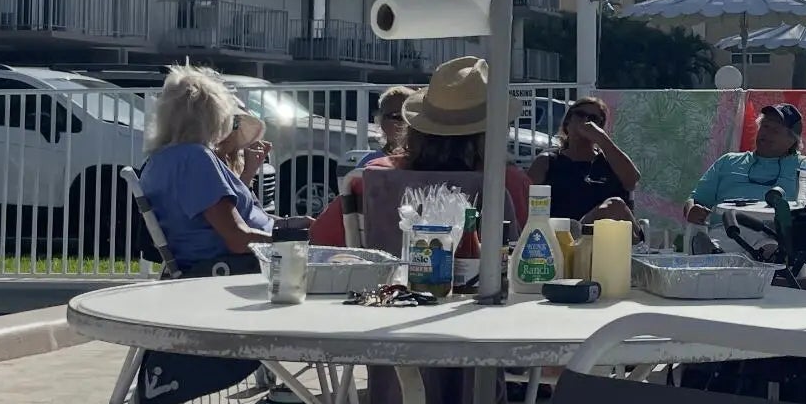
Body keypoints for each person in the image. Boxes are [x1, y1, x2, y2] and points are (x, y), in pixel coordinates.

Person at [315, 59, 530, 252]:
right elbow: (528, 254)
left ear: (416, 127)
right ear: (496, 129)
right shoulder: (508, 181)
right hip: (480, 284)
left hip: (387, 282)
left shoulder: (372, 177)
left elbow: (319, 238)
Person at [137, 66, 316, 274]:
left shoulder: (158, 161)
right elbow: (238, 239)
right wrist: (295, 243)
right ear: (213, 115)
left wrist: (286, 227)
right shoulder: (195, 158)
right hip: (236, 264)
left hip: (229, 259)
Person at [685, 103, 806, 229]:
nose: (766, 133)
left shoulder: (805, 168)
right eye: (765, 126)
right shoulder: (728, 162)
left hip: (779, 239)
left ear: (792, 140)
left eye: (775, 130)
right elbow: (694, 201)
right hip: (725, 236)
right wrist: (692, 211)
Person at [527, 96, 637, 225]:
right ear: (568, 122)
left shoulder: (611, 161)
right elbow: (524, 203)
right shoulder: (547, 162)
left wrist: (602, 139)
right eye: (580, 115)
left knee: (615, 205)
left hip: (606, 232)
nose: (586, 121)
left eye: (593, 119)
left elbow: (632, 181)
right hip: (562, 232)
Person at [355, 85, 416, 166]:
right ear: (381, 121)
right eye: (397, 117)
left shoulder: (427, 162)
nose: (405, 123)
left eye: (410, 116)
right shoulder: (369, 163)